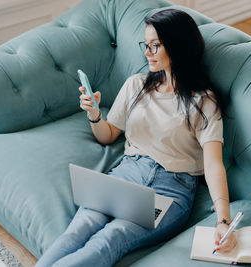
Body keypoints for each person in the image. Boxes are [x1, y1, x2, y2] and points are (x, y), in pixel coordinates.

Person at [36, 9, 236, 267]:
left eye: (155, 45)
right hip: (125, 174)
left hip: (171, 188)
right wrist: (94, 115)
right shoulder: (136, 85)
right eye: (146, 44)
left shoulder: (203, 101)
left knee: (112, 238)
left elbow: (213, 164)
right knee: (77, 231)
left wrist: (223, 220)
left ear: (177, 46)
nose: (147, 52)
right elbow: (108, 136)